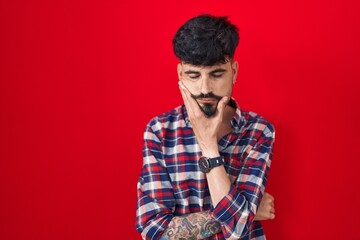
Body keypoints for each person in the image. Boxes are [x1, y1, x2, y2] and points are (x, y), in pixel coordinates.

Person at [135, 14, 276, 240]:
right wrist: (246, 212)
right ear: (181, 74)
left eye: (217, 74)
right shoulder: (159, 131)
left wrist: (208, 145)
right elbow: (153, 230)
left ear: (234, 72)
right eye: (193, 75)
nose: (204, 89)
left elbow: (237, 232)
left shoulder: (259, 131)